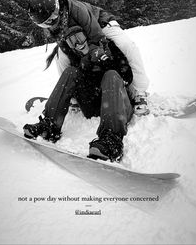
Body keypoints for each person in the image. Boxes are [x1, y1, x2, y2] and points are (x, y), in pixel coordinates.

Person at [28, 0, 149, 115]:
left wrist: (97, 51)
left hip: (100, 23)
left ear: (57, 9)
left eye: (51, 19)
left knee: (125, 44)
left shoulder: (77, 9)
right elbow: (64, 45)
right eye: (44, 24)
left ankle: (139, 91)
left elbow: (96, 36)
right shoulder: (51, 23)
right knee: (61, 57)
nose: (50, 25)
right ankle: (73, 96)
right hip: (76, 33)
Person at [23, 26, 134, 162]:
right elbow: (82, 87)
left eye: (79, 38)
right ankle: (50, 125)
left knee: (110, 74)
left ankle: (112, 139)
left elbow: (127, 77)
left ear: (86, 36)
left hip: (119, 105)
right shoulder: (77, 58)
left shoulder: (108, 47)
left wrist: (106, 62)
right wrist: (85, 66)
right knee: (70, 72)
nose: (78, 44)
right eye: (72, 42)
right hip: (94, 107)